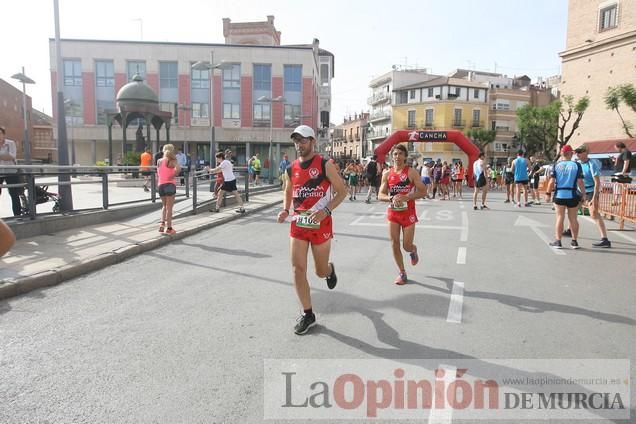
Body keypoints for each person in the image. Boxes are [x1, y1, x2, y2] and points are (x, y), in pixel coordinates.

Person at [276, 125, 346, 335]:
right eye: (296, 141)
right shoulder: (291, 168)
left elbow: (342, 192)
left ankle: (329, 270)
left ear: (312, 142)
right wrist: (284, 210)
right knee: (298, 269)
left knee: (319, 270)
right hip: (298, 223)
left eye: (303, 140)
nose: (299, 145)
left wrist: (326, 210)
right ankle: (308, 314)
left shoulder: (325, 165)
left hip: (321, 224)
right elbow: (288, 190)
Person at [378, 144, 427, 285]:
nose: (397, 156)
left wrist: (408, 197)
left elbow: (423, 192)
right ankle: (402, 272)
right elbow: (380, 195)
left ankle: (413, 250)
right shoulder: (387, 173)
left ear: (405, 156)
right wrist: (390, 198)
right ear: (391, 156)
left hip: (408, 212)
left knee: (406, 245)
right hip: (393, 212)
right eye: (395, 154)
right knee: (394, 243)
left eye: (400, 153)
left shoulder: (411, 172)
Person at [546, 145, 586, 249]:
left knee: (560, 217)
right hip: (572, 195)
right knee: (573, 219)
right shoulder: (577, 165)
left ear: (561, 154)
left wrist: (548, 194)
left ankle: (558, 241)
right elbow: (580, 181)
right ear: (571, 153)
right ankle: (574, 242)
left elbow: (551, 181)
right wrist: (584, 194)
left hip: (559, 195)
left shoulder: (556, 165)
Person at [575, 144, 611, 248]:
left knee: (594, 213)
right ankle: (570, 229)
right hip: (579, 190)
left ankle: (605, 239)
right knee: (573, 211)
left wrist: (594, 197)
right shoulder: (577, 164)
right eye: (577, 152)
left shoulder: (592, 164)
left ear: (586, 152)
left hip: (591, 190)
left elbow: (597, 182)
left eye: (580, 152)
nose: (578, 154)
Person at [156, 144, 180, 235]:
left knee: (164, 206)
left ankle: (162, 224)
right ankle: (169, 228)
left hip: (161, 185)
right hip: (170, 184)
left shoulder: (159, 161)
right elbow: (178, 169)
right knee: (169, 207)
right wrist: (173, 175)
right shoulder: (172, 160)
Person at [0, 126, 22, 216]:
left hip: (11, 171)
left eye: (0, 134)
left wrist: (4, 155)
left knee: (14, 194)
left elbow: (12, 156)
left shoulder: (10, 143)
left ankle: (17, 216)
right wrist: (5, 155)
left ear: (3, 135)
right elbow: (6, 156)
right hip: (0, 171)